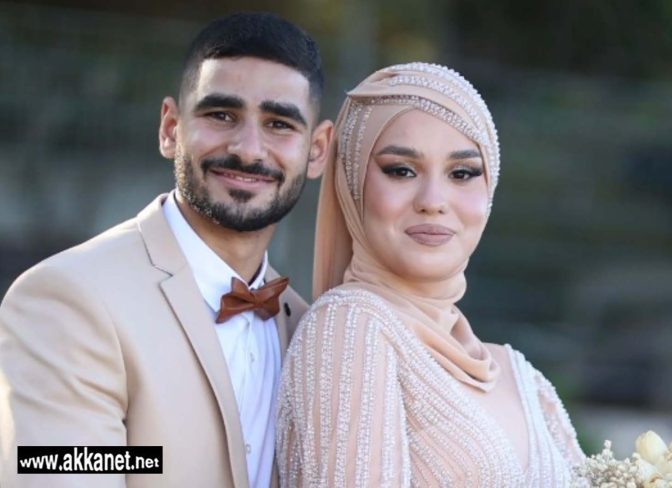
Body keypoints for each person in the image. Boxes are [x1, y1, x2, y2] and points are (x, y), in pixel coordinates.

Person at [0, 12, 332, 488]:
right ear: (171, 128)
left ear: (317, 150)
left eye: (279, 124)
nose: (248, 149)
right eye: (221, 115)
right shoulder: (68, 300)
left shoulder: (311, 333)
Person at [277, 62, 585, 486]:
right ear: (352, 185)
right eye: (401, 170)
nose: (433, 200)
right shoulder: (352, 326)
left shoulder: (522, 377)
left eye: (462, 173)